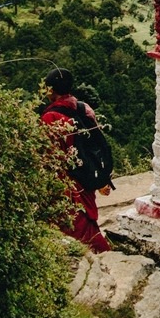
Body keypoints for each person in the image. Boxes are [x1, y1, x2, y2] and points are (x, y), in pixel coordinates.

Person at [39, 68, 111, 253]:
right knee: (85, 222)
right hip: (86, 173)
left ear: (50, 90)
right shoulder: (83, 108)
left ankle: (103, 256)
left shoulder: (51, 118)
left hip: (68, 180)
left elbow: (50, 157)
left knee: (77, 225)